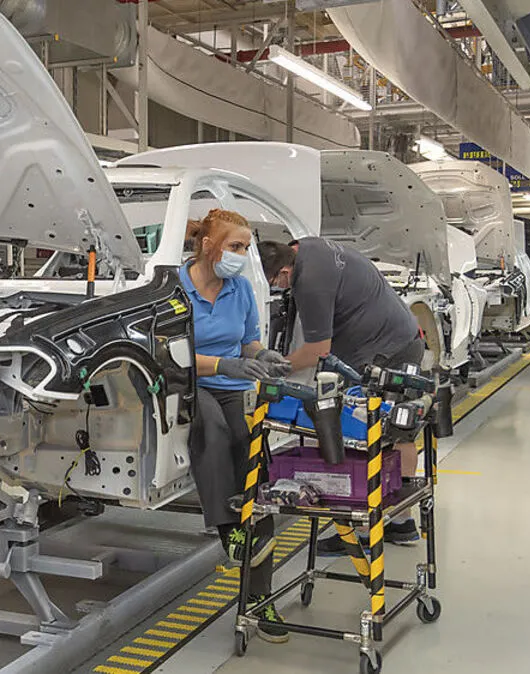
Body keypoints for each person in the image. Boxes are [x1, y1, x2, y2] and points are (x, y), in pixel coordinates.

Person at [259, 237, 425, 553]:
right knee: (398, 432)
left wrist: (274, 370)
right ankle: (401, 523)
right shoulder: (308, 247)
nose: (278, 289)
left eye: (275, 283)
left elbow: (317, 351)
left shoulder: (309, 282)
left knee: (359, 434)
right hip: (403, 339)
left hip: (381, 353)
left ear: (284, 271)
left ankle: (363, 532)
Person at [181, 209, 292, 644]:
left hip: (233, 385)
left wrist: (261, 355)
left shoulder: (241, 288)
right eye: (235, 246)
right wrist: (222, 364)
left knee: (253, 463)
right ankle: (230, 531)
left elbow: (248, 341)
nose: (242, 255)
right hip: (190, 383)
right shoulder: (176, 287)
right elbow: (170, 352)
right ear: (208, 245)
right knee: (213, 429)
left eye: (245, 248)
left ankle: (261, 599)